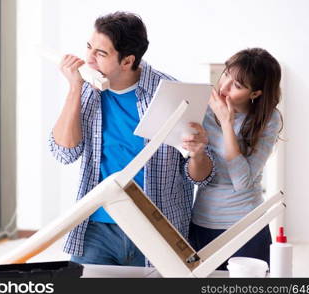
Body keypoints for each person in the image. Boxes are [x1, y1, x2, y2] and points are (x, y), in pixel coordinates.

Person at [49, 11, 214, 266]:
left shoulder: (173, 96)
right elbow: (64, 153)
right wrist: (74, 88)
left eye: (100, 54)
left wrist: (198, 153)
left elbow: (200, 177)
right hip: (96, 227)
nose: (88, 60)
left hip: (156, 229)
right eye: (89, 48)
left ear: (127, 61)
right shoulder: (87, 91)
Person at [189, 48, 283, 269]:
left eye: (237, 86)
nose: (224, 87)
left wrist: (227, 124)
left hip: (246, 225)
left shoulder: (269, 118)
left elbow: (242, 182)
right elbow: (193, 172)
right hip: (202, 220)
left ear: (256, 94)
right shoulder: (201, 109)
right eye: (226, 75)